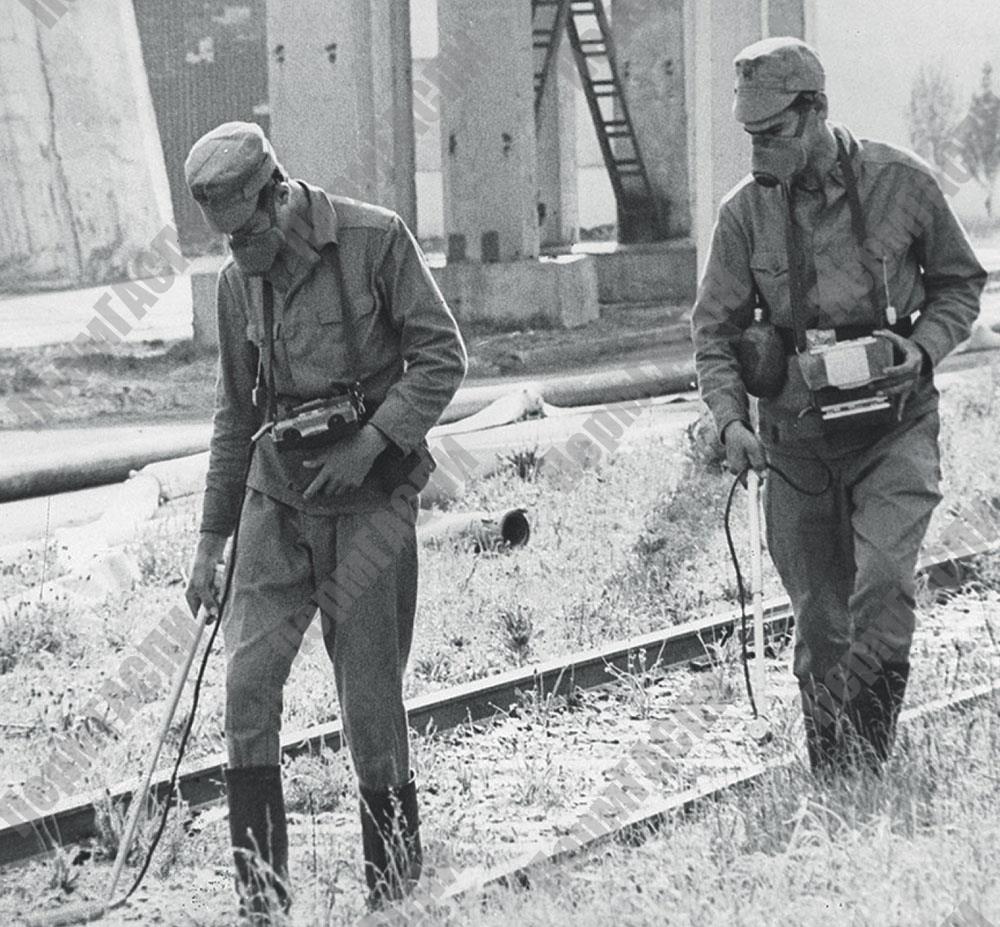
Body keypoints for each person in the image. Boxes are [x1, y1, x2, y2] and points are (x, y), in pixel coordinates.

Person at [182, 121, 467, 918]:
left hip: (370, 504)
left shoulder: (376, 240)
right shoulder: (237, 282)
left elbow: (443, 356)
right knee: (245, 687)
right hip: (276, 503)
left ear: (278, 197)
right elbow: (234, 415)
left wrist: (371, 442)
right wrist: (209, 540)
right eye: (226, 241)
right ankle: (262, 903)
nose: (239, 253)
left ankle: (394, 892)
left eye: (247, 235)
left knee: (370, 704)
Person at [692, 38, 985, 775]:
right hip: (797, 441)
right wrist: (730, 420)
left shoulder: (901, 183)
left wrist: (921, 350)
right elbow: (715, 332)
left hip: (895, 428)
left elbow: (960, 284)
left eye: (773, 133)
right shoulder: (743, 214)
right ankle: (834, 769)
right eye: (750, 135)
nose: (759, 150)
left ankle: (868, 760)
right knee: (821, 621)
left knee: (881, 586)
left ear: (816, 110)